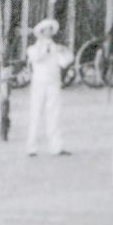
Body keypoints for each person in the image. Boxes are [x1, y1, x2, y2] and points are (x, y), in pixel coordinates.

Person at [26, 19, 73, 156]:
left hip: (53, 83)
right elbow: (37, 58)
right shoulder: (33, 48)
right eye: (45, 30)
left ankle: (56, 147)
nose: (48, 33)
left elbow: (65, 62)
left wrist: (64, 51)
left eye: (50, 30)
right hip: (39, 84)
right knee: (35, 114)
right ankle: (31, 147)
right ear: (40, 32)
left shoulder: (55, 47)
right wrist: (44, 47)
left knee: (54, 114)